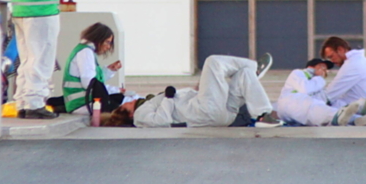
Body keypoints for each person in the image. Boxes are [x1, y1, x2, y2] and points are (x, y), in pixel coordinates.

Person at [103, 54, 282, 128]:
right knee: (212, 62)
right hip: (205, 112)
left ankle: (263, 114)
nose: (127, 100)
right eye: (125, 104)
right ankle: (255, 68)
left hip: (218, 113)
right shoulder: (141, 114)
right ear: (127, 111)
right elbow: (162, 120)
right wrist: (168, 97)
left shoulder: (146, 104)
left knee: (243, 75)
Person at [276, 59, 366, 126]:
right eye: (322, 67)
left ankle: (357, 120)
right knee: (317, 109)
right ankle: (342, 117)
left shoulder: (317, 82)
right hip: (290, 103)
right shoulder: (298, 73)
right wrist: (320, 78)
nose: (325, 71)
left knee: (321, 111)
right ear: (311, 67)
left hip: (300, 109)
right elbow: (305, 88)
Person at [62, 22, 131, 114]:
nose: (108, 47)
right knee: (127, 106)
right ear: (99, 39)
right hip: (83, 104)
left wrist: (109, 71)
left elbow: (93, 81)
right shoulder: (86, 52)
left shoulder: (84, 51)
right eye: (107, 42)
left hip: (81, 103)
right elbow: (90, 84)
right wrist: (114, 90)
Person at [320, 36, 366, 109]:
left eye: (331, 56)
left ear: (340, 49)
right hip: (362, 104)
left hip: (360, 109)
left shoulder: (352, 65)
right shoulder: (361, 61)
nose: (332, 61)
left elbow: (328, 95)